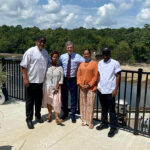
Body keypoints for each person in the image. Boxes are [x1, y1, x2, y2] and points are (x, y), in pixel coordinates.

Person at [20, 36, 51, 129]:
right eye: (40, 41)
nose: (42, 43)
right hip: (31, 81)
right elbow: (23, 66)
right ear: (36, 41)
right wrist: (25, 79)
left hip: (40, 81)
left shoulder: (45, 53)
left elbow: (49, 63)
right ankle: (29, 119)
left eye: (44, 42)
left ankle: (38, 116)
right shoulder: (30, 51)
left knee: (38, 101)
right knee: (30, 102)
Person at [96, 47, 121, 137]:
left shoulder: (115, 63)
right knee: (103, 108)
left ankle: (113, 127)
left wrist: (115, 89)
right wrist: (98, 85)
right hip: (101, 89)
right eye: (104, 54)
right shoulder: (100, 63)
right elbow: (99, 74)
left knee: (112, 110)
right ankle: (104, 123)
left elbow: (117, 76)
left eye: (107, 54)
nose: (105, 56)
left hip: (110, 90)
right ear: (102, 54)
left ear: (110, 54)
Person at [59, 41, 84, 123]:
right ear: (66, 48)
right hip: (65, 79)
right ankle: (65, 113)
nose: (69, 49)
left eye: (71, 47)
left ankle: (73, 114)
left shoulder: (78, 56)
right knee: (64, 97)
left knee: (73, 97)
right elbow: (59, 67)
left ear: (73, 48)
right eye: (68, 47)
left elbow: (85, 63)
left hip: (73, 79)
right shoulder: (62, 57)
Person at [77, 49, 98, 129]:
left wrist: (89, 85)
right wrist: (80, 83)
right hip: (82, 87)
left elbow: (95, 76)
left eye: (87, 54)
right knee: (83, 104)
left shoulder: (94, 63)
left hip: (91, 87)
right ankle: (84, 120)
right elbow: (78, 74)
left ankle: (90, 121)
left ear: (90, 54)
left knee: (90, 104)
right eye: (84, 54)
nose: (86, 55)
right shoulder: (81, 64)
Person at [42, 50, 63, 125]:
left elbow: (61, 79)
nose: (55, 58)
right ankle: (50, 114)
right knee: (49, 101)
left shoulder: (60, 68)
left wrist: (57, 86)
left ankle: (57, 117)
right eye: (54, 57)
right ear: (51, 57)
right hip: (47, 87)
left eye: (56, 57)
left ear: (58, 58)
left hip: (56, 88)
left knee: (56, 102)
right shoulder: (47, 66)